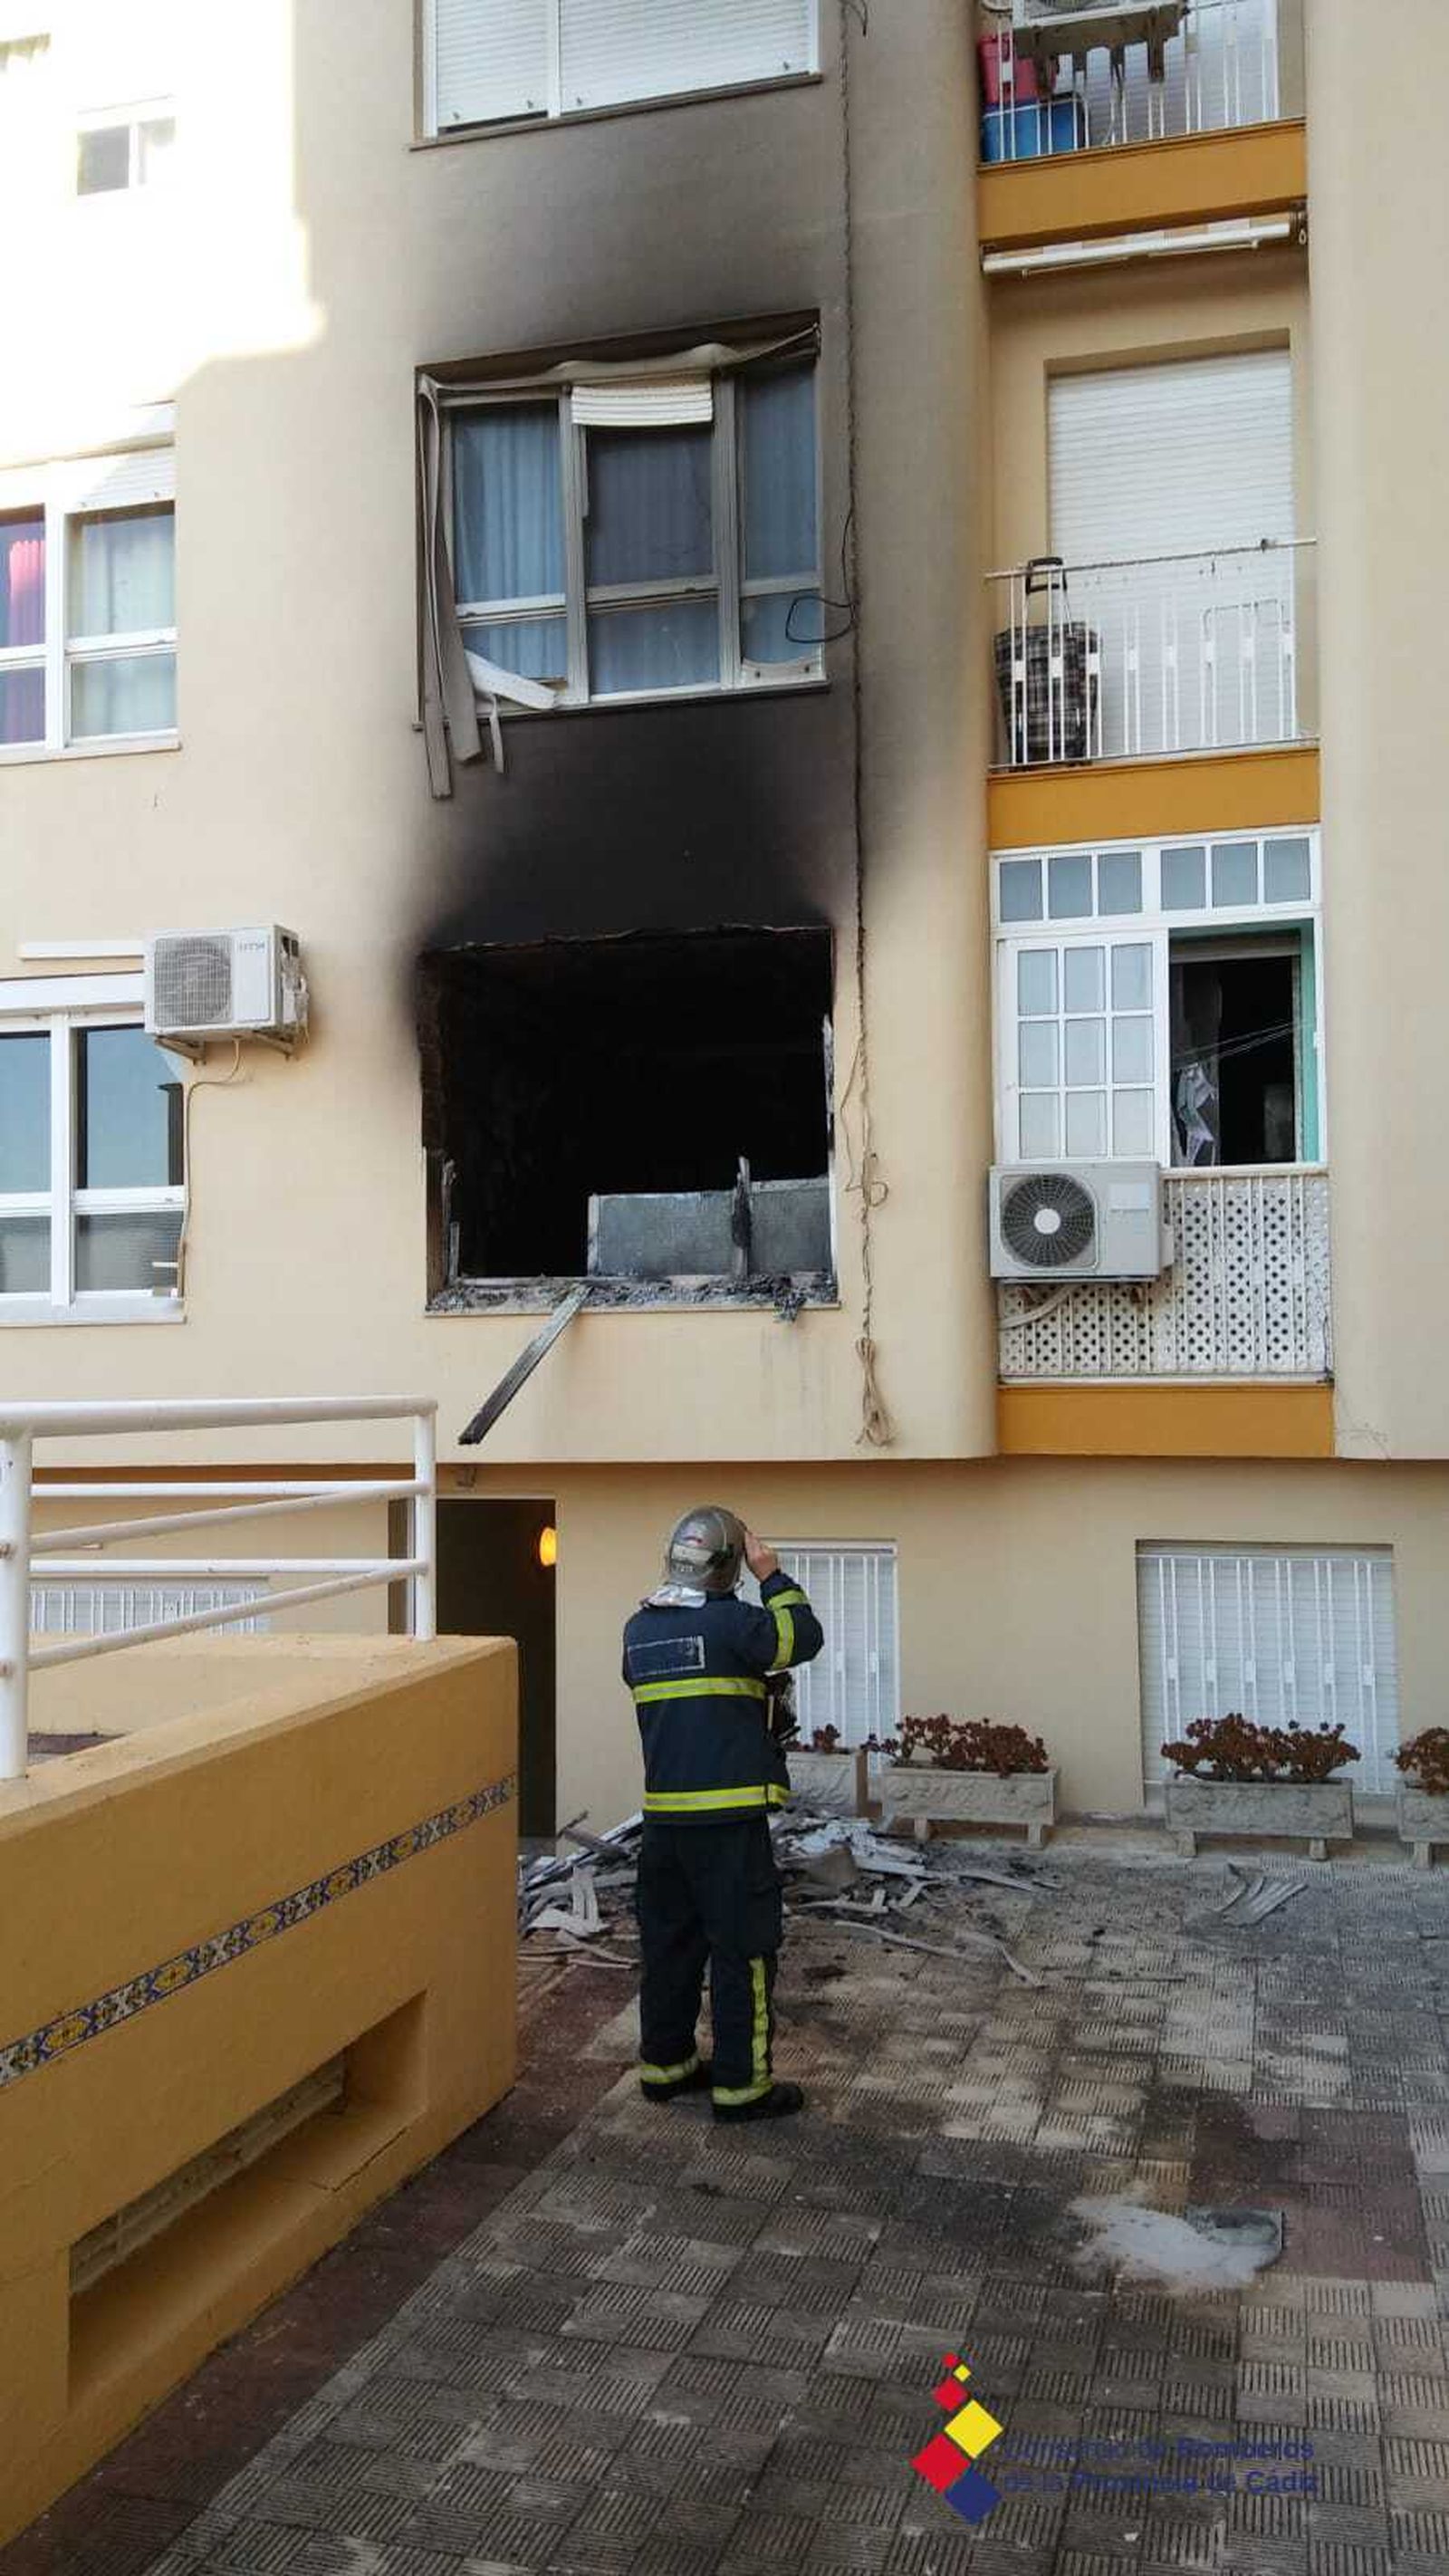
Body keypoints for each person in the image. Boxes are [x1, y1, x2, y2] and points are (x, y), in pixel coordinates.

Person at [622, 1505, 823, 2121]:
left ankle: (665, 2068)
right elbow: (801, 1639)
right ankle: (742, 2087)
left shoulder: (638, 1630)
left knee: (670, 1948)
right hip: (729, 1827)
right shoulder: (737, 1625)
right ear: (729, 1564)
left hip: (663, 1826)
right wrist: (773, 1575)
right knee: (744, 1952)